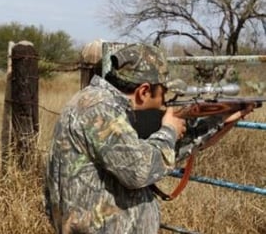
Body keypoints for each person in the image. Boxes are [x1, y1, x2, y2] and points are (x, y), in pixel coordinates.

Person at [45, 43, 251, 233]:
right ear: (143, 91)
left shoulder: (101, 103)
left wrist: (220, 119)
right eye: (164, 91)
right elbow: (139, 172)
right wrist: (169, 129)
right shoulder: (100, 109)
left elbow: (155, 157)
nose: (167, 99)